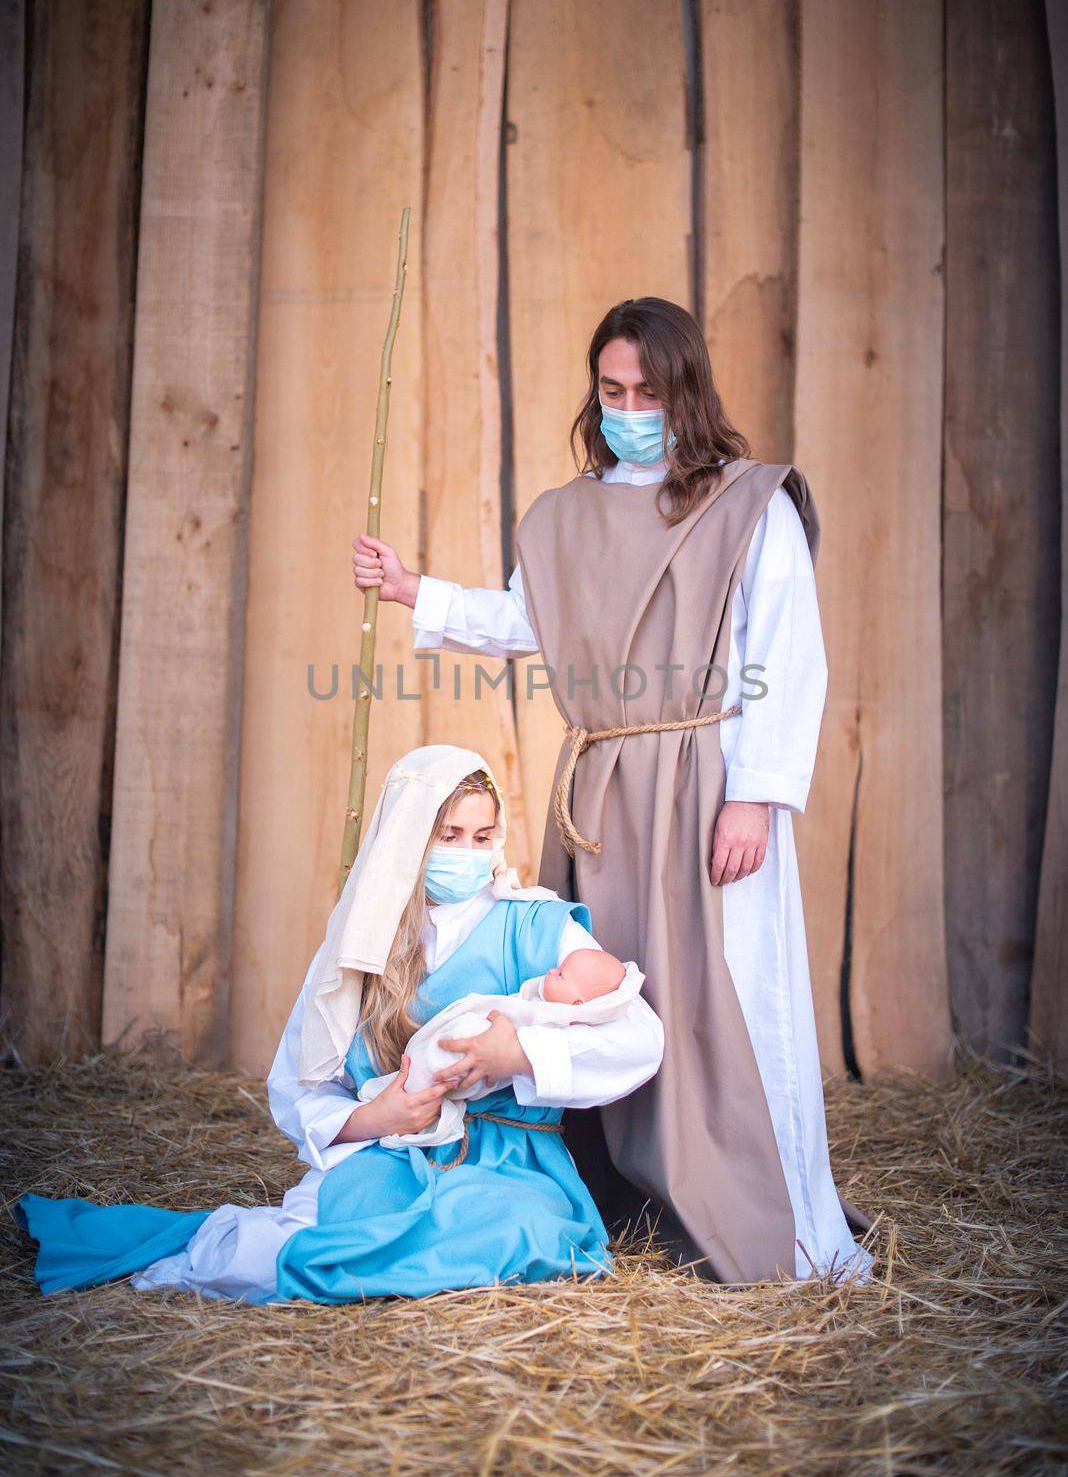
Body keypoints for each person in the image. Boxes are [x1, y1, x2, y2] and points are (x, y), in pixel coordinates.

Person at [353, 296, 875, 1285]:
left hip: (712, 775)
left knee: (727, 996)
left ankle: (780, 1223)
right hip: (604, 789)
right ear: (596, 395)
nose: (632, 406)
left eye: (649, 389)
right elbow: (521, 619)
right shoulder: (567, 514)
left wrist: (755, 795)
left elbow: (786, 651)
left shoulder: (748, 503)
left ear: (687, 390)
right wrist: (411, 588)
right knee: (603, 985)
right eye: (613, 389)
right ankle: (631, 1199)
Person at [15, 746, 664, 1303]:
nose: (468, 853)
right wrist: (376, 1121)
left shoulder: (537, 923)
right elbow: (297, 1087)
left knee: (528, 1233)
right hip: (389, 1157)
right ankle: (265, 1256)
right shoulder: (359, 944)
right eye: (449, 836)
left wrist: (518, 1052)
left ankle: (307, 1266)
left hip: (510, 1164)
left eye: (482, 836)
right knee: (336, 1226)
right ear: (410, 838)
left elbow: (639, 1038)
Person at [358, 945, 639, 1150]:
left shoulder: (562, 1016)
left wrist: (515, 1055)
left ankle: (419, 1086)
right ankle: (406, 1090)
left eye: (561, 975)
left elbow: (637, 1043)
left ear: (578, 1004)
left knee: (461, 1044)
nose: (551, 971)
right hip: (398, 1110)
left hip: (511, 1143)